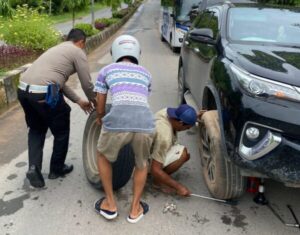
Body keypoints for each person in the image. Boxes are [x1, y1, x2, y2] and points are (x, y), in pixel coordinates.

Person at [17, 28, 95, 188]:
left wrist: (79, 100)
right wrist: (96, 102)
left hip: (23, 91)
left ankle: (34, 168)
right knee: (61, 127)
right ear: (81, 42)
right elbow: (87, 84)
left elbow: (58, 82)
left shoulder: (57, 49)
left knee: (36, 129)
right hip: (43, 93)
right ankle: (56, 169)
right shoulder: (77, 51)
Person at [93, 35, 155, 223]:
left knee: (103, 156)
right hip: (145, 123)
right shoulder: (146, 73)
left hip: (118, 123)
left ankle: (110, 204)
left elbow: (100, 103)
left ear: (114, 53)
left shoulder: (106, 70)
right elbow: (143, 99)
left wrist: (100, 117)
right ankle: (135, 209)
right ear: (136, 53)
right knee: (142, 164)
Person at [150, 104, 204, 196]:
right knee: (183, 154)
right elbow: (155, 169)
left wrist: (193, 117)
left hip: (146, 148)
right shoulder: (165, 136)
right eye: (187, 128)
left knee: (184, 153)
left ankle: (159, 177)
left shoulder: (166, 112)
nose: (186, 129)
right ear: (181, 123)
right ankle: (157, 182)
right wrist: (178, 187)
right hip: (146, 159)